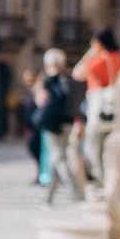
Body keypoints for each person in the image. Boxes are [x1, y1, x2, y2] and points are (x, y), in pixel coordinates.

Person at [73, 28, 120, 198]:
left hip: (98, 110)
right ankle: (112, 179)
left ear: (99, 43)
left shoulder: (99, 60)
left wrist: (90, 53)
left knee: (92, 147)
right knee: (110, 147)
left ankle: (101, 180)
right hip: (115, 110)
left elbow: (77, 74)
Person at [36, 47, 86, 205]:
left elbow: (40, 101)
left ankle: (75, 193)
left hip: (52, 124)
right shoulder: (69, 79)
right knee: (56, 158)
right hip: (68, 122)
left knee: (59, 158)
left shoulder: (48, 80)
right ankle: (48, 198)